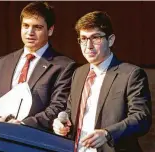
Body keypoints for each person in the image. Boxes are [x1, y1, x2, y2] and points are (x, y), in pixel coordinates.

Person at [53, 11, 152, 152]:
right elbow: (71, 111)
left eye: (96, 38)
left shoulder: (131, 74)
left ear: (110, 40)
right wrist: (62, 123)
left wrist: (108, 134)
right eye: (83, 39)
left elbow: (142, 118)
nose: (89, 46)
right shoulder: (79, 73)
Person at [0, 2, 76, 130]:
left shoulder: (63, 65)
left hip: (35, 140)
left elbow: (57, 107)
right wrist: (0, 121)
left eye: (37, 27)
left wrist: (23, 125)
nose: (30, 32)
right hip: (1, 136)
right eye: (25, 26)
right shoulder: (4, 62)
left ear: (50, 30)